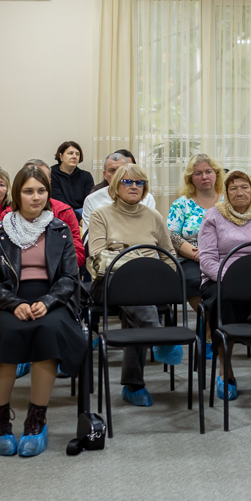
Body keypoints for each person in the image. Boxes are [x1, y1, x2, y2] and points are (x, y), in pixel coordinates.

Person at [0, 165, 87, 457]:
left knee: (48, 329)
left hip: (53, 300)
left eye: (41, 191)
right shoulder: (0, 231)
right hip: (7, 300)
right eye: (28, 191)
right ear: (17, 195)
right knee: (4, 331)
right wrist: (15, 304)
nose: (36, 197)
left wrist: (47, 301)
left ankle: (36, 420)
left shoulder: (59, 230)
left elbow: (69, 278)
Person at [86, 164, 182, 407]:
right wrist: (136, 265)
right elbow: (98, 256)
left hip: (147, 286)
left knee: (137, 305)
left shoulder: (154, 216)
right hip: (108, 282)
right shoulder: (100, 215)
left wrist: (166, 283)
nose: (134, 187)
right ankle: (158, 336)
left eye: (139, 182)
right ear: (116, 186)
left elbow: (169, 255)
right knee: (137, 294)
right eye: (127, 182)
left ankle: (133, 385)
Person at [198, 171, 251, 400]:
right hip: (221, 279)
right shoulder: (213, 216)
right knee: (224, 299)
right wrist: (234, 280)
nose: (240, 192)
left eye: (245, 187)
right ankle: (225, 371)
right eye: (233, 188)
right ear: (226, 193)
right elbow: (207, 260)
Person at [168, 154, 226, 354]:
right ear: (191, 178)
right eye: (198, 173)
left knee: (224, 283)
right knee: (193, 281)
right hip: (191, 257)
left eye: (208, 172)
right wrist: (196, 254)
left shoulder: (228, 201)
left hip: (225, 256)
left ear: (216, 174)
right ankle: (208, 328)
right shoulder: (181, 204)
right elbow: (172, 236)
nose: (204, 177)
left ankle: (211, 328)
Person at [1, 160, 85, 268]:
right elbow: (1, 260)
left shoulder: (64, 212)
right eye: (29, 190)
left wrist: (50, 268)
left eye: (41, 179)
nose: (36, 197)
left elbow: (78, 256)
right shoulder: (8, 217)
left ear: (48, 183)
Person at [82, 152, 157, 235]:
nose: (116, 175)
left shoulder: (147, 198)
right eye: (112, 171)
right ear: (105, 175)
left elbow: (152, 232)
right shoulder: (92, 200)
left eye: (121, 171)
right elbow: (89, 237)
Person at [49, 140, 95, 212]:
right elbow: (58, 202)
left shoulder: (86, 176)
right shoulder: (51, 174)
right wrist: (77, 217)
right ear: (61, 156)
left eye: (77, 154)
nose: (74, 157)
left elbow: (89, 201)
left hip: (83, 212)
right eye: (70, 153)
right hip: (61, 212)